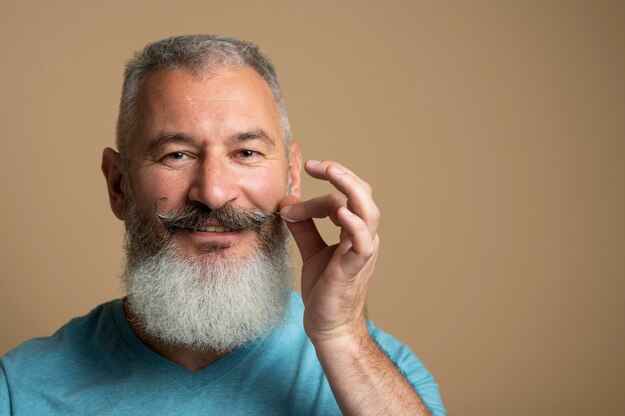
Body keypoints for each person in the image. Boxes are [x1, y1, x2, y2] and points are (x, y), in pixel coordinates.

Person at [0, 35, 445, 415]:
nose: (213, 193)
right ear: (119, 185)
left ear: (292, 174)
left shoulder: (378, 374)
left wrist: (342, 338)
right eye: (177, 154)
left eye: (246, 153)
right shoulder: (18, 389)